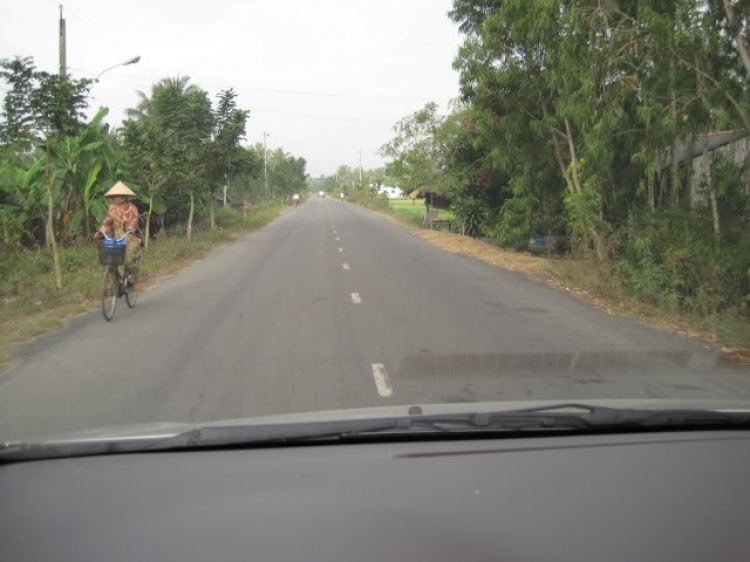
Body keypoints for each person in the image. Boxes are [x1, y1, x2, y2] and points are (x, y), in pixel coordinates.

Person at [95, 181, 142, 291]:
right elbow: (107, 222)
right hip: (116, 240)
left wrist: (118, 219)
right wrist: (101, 231)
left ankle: (136, 279)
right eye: (115, 196)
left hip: (130, 238)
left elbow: (132, 226)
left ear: (124, 196)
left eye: (119, 196)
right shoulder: (111, 208)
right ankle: (113, 283)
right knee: (109, 260)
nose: (117, 198)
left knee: (128, 261)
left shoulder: (131, 208)